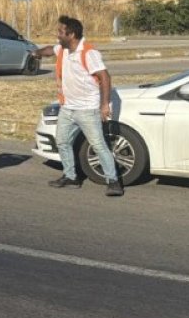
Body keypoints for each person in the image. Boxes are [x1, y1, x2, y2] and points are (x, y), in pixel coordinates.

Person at [34, 15, 123, 197]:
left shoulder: (88, 53)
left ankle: (113, 181)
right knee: (62, 141)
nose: (57, 34)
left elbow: (105, 77)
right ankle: (70, 177)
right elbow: (51, 50)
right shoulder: (64, 49)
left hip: (87, 110)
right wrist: (36, 53)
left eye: (60, 32)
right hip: (67, 108)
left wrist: (104, 104)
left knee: (98, 145)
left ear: (71, 34)